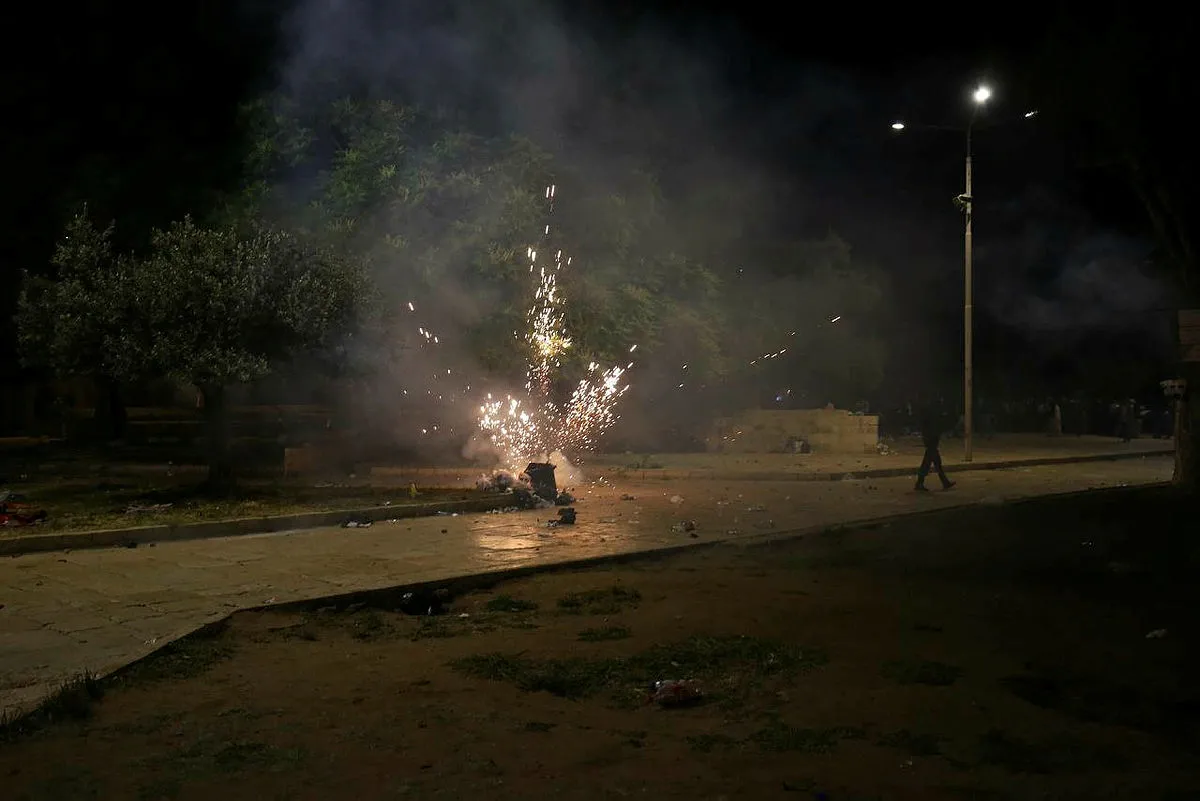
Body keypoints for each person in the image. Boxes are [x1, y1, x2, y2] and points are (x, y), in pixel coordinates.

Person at [915, 401, 955, 492]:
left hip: (931, 439)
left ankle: (944, 482)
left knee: (933, 462)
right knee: (929, 462)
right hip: (931, 439)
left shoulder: (928, 412)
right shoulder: (930, 413)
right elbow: (932, 426)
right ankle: (920, 483)